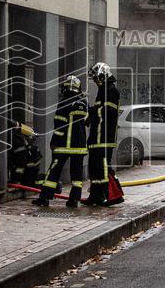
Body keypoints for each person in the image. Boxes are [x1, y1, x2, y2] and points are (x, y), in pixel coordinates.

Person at [33, 75, 88, 208]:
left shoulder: (64, 102)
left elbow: (60, 125)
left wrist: (54, 141)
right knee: (77, 176)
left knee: (54, 171)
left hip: (63, 145)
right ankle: (74, 200)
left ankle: (45, 198)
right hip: (79, 146)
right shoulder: (83, 103)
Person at [83, 63, 120, 206]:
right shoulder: (103, 90)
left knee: (103, 168)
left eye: (97, 78)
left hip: (104, 138)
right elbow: (100, 110)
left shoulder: (111, 90)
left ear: (103, 75)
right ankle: (96, 196)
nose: (95, 81)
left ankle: (112, 196)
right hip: (97, 138)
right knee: (95, 168)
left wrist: (92, 111)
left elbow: (108, 112)